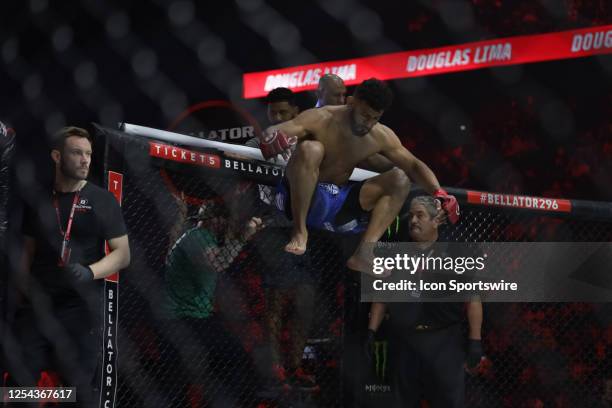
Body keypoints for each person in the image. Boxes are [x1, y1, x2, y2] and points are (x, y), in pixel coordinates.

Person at [257, 78, 459, 273]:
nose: (368, 123)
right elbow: (281, 129)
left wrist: (439, 192)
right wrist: (270, 136)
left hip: (336, 204)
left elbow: (414, 164)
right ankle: (300, 232)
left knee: (400, 178)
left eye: (375, 117)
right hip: (298, 196)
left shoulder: (379, 135)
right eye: (365, 115)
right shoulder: (322, 117)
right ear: (352, 102)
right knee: (311, 148)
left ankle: (364, 253)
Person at [8, 126, 130, 407]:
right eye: (77, 153)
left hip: (80, 309)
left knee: (77, 391)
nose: (85, 159)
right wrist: (21, 294)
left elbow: (123, 254)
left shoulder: (102, 200)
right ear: (56, 156)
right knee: (16, 389)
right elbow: (28, 250)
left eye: (88, 153)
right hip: (37, 307)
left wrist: (89, 272)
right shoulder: (38, 198)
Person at [365, 195, 483, 408]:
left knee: (448, 401)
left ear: (435, 220)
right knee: (401, 401)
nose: (413, 221)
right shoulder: (396, 253)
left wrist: (475, 341)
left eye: (420, 215)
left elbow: (473, 298)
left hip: (444, 340)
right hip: (404, 341)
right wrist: (371, 331)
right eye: (411, 215)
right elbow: (382, 295)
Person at [164, 198, 263, 406]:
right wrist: (243, 237)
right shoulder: (200, 236)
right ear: (216, 220)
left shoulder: (191, 236)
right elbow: (219, 263)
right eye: (223, 220)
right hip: (187, 318)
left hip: (190, 317)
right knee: (235, 356)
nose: (225, 225)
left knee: (190, 374)